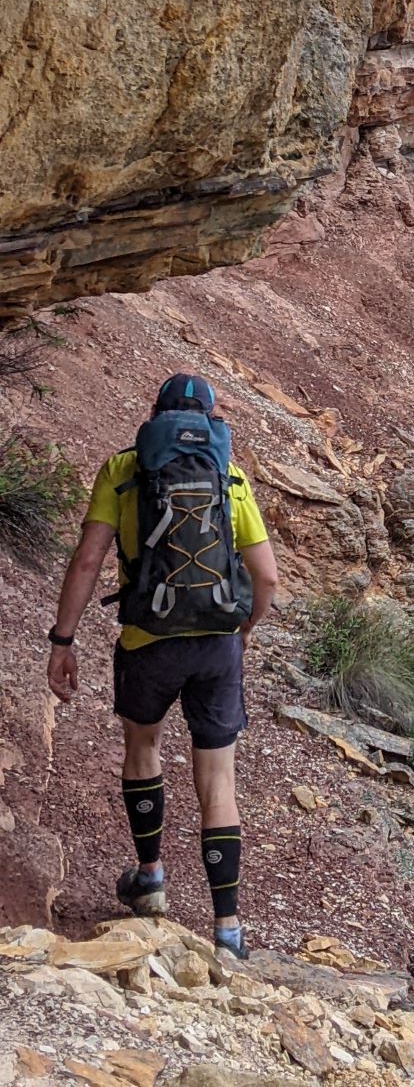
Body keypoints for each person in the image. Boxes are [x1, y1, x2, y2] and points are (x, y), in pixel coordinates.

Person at [46, 374, 278, 959]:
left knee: (143, 749)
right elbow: (267, 576)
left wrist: (62, 639)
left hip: (148, 637)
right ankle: (228, 932)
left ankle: (151, 878)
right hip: (217, 642)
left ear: (155, 416)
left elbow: (87, 561)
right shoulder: (232, 476)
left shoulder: (123, 470)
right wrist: (241, 632)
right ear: (209, 418)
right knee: (219, 782)